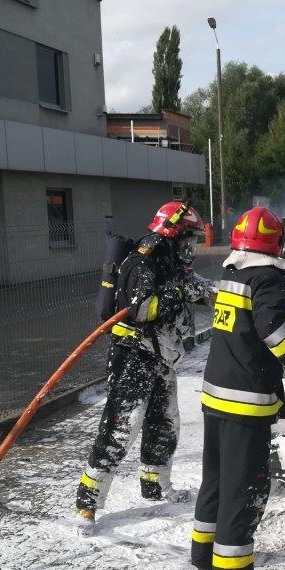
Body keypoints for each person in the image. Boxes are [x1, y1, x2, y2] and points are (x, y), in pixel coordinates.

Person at [191, 206, 285, 570]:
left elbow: (263, 286)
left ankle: (204, 554)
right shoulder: (267, 280)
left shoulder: (235, 273)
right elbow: (272, 328)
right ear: (274, 243)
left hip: (216, 394)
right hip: (246, 401)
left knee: (215, 477)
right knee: (243, 489)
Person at [74, 202, 214, 535]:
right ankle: (87, 503)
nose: (191, 248)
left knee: (166, 424)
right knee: (121, 430)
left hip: (161, 356)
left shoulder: (170, 260)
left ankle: (155, 485)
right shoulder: (143, 261)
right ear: (173, 233)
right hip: (132, 357)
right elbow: (143, 309)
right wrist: (179, 291)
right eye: (188, 239)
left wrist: (222, 293)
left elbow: (195, 285)